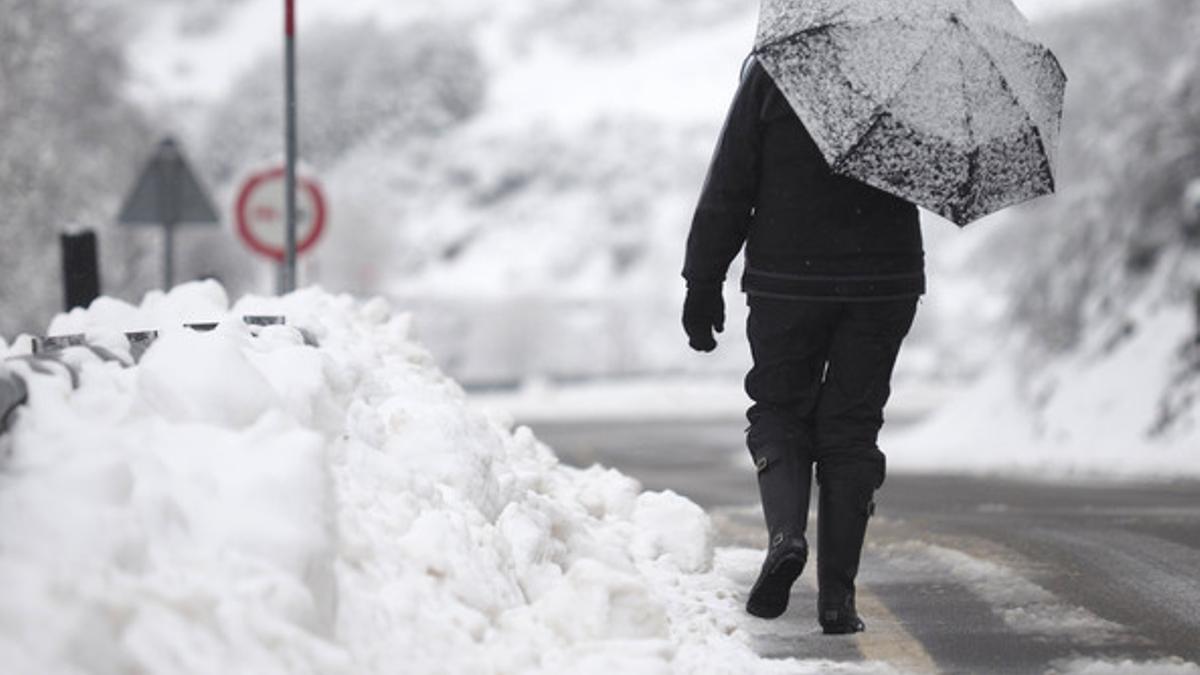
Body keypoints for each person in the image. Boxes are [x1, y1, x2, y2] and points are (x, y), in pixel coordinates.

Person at [682, 55, 924, 634]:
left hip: (788, 278)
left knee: (780, 410)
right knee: (852, 427)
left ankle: (787, 536)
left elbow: (732, 179)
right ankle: (838, 599)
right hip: (883, 281)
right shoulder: (917, 69)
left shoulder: (781, 65)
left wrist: (703, 279)